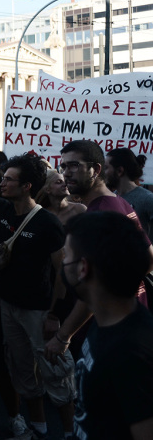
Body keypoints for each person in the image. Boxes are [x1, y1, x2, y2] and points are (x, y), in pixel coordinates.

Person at [0, 154, 73, 440]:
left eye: (8, 179)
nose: (2, 183)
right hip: (9, 307)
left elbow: (62, 273)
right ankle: (39, 429)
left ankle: (70, 433)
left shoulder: (47, 223)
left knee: (56, 375)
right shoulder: (2, 208)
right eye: (2, 178)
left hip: (39, 311)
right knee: (24, 373)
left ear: (27, 186)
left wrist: (54, 315)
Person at [45, 139, 153, 362]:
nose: (66, 173)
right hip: (121, 324)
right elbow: (148, 257)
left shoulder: (101, 213)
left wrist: (63, 336)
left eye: (74, 165)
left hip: (110, 333)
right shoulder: (116, 202)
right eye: (63, 166)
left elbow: (97, 285)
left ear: (95, 169)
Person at [63, 212, 153, 439]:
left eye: (66, 255)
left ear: (83, 268)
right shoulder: (108, 321)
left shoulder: (133, 353)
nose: (62, 262)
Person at [105, 148, 153, 240]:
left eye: (106, 168)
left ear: (119, 171)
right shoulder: (110, 199)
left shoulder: (147, 199)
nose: (103, 173)